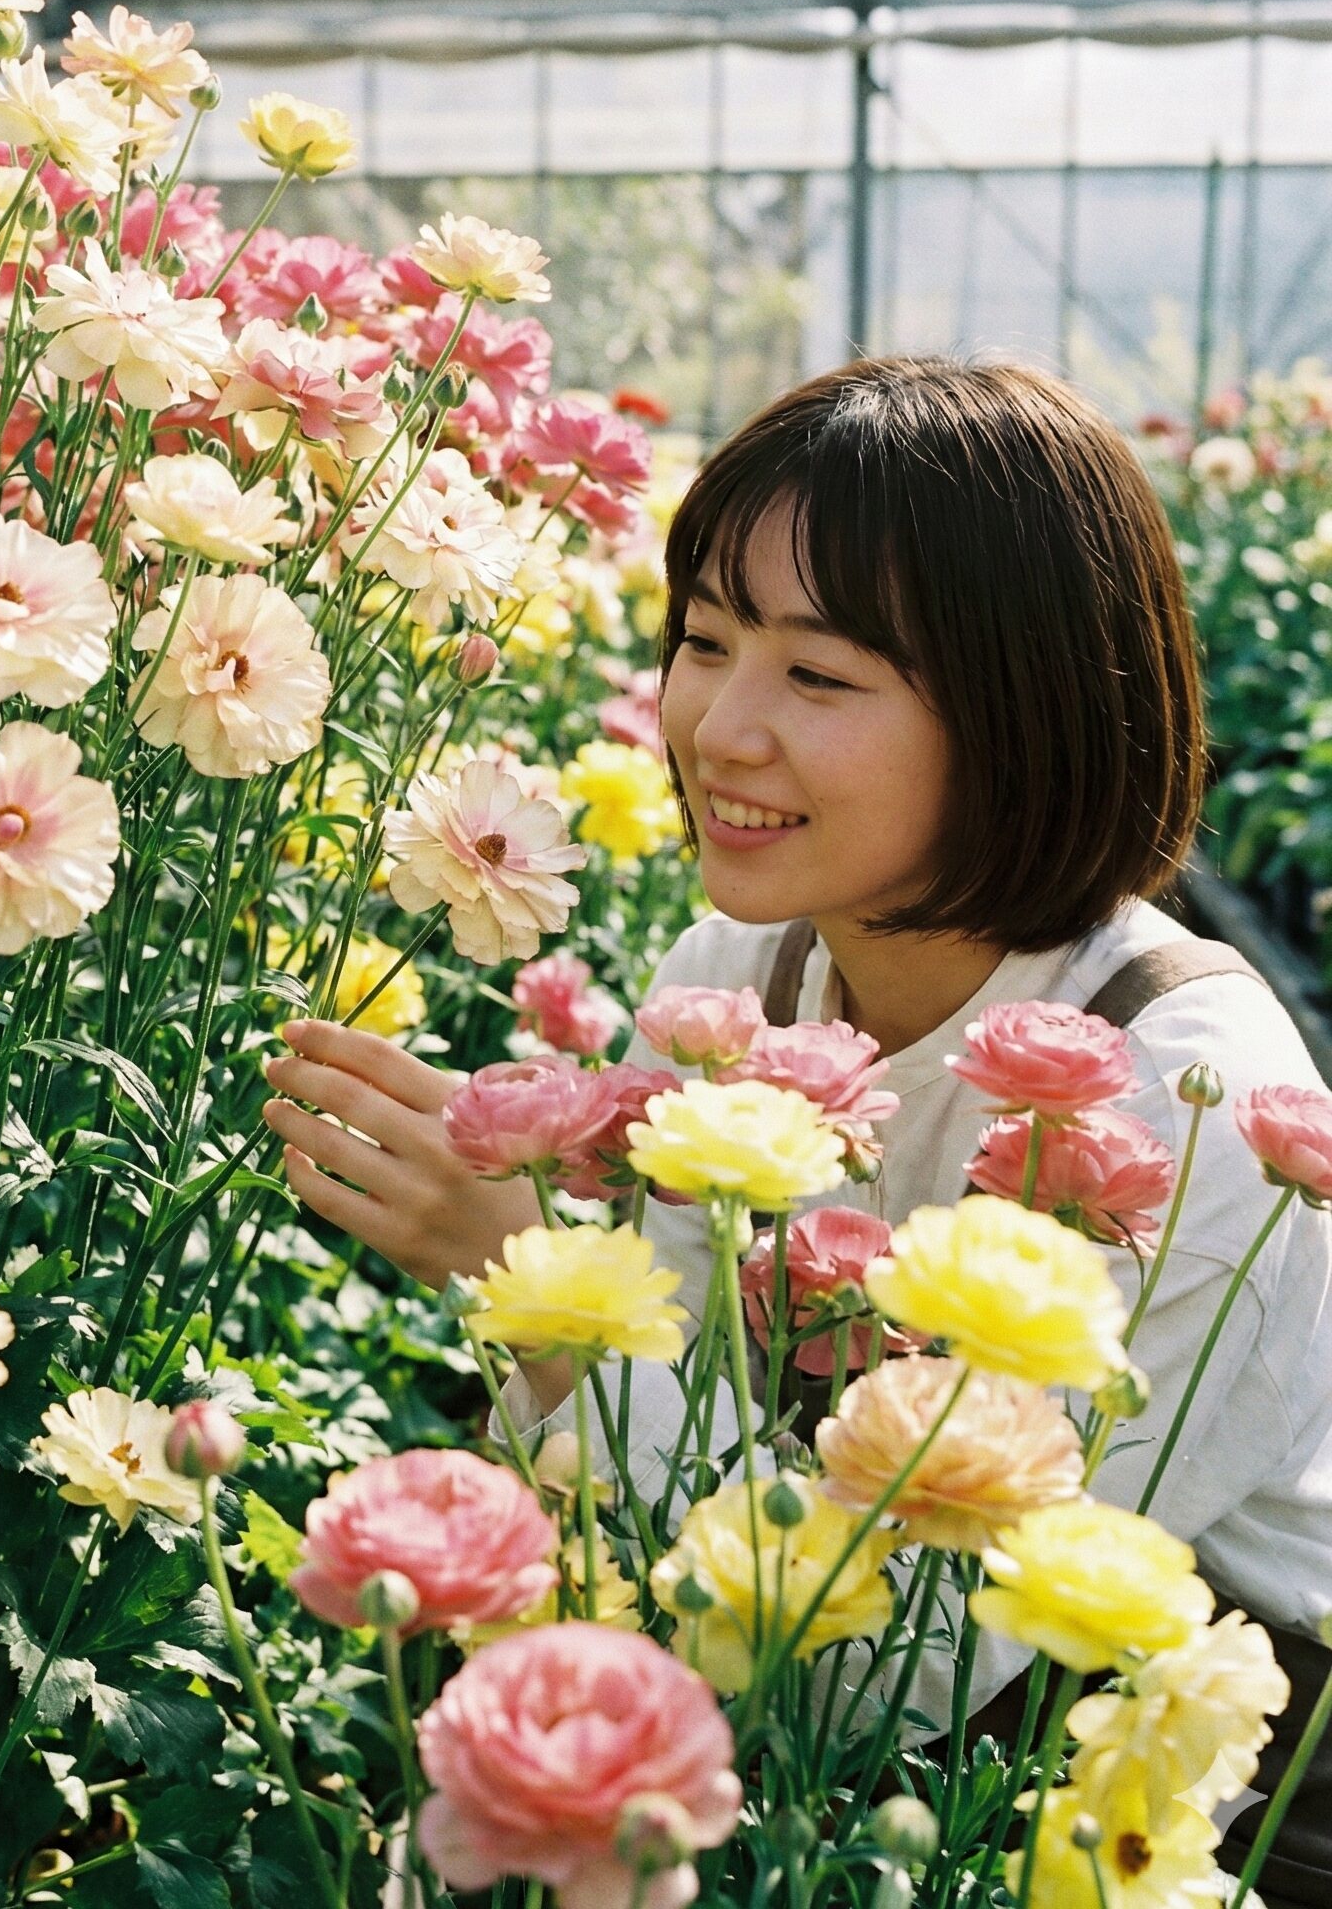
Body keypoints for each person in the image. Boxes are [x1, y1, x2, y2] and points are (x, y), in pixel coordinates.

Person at [261, 357, 1332, 1903]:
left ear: (1024, 713)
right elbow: (673, 1473)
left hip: (1199, 1803)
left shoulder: (1188, 1105)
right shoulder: (743, 975)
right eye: (705, 642)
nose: (718, 728)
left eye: (818, 677)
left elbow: (912, 1676)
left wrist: (543, 1299)